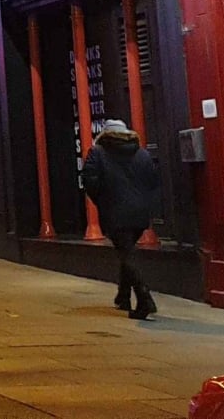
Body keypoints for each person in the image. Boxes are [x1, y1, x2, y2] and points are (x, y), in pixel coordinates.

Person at [81, 118, 161, 320]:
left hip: (115, 210)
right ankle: (123, 296)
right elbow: (153, 179)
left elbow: (89, 179)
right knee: (127, 250)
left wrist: (101, 199)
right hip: (140, 211)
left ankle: (144, 298)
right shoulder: (142, 153)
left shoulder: (98, 152)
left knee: (127, 253)